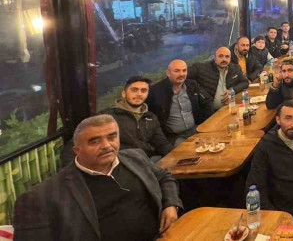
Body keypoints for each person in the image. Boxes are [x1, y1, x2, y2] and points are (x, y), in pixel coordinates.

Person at [13, 115, 182, 241]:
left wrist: (170, 205)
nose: (106, 146)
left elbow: (164, 177)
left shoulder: (135, 157)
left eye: (112, 137)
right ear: (77, 150)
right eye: (94, 141)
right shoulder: (40, 197)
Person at [100, 76, 173, 159]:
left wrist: (175, 156)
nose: (139, 94)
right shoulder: (108, 117)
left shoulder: (151, 117)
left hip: (150, 159)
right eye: (134, 90)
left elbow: (161, 143)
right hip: (125, 161)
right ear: (124, 93)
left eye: (143, 90)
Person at [148, 60, 213, 145]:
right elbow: (151, 120)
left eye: (184, 70)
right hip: (175, 137)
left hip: (196, 128)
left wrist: (205, 123)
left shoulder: (192, 85)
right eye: (177, 71)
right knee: (191, 150)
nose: (181, 74)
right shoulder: (155, 92)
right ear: (168, 73)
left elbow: (207, 101)